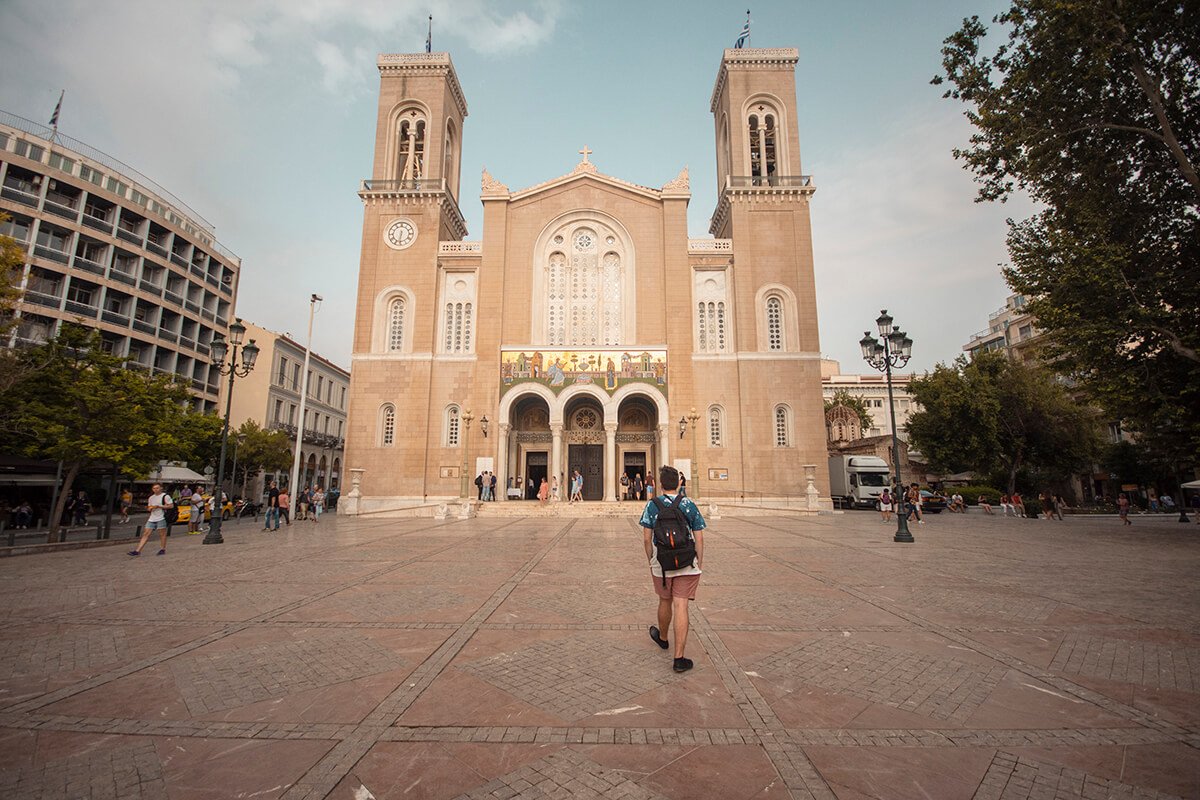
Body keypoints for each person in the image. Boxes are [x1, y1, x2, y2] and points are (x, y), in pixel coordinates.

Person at [641, 465, 706, 674]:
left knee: (664, 600)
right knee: (681, 606)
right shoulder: (688, 504)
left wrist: (652, 559)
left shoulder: (653, 505)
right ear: (679, 483)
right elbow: (699, 537)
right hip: (687, 562)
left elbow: (646, 538)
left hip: (663, 563)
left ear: (660, 485)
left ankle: (662, 638)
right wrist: (699, 562)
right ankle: (679, 658)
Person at [129, 483, 172, 556]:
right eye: (154, 488)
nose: (156, 489)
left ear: (161, 488)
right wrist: (150, 508)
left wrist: (159, 506)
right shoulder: (151, 497)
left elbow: (170, 506)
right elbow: (149, 507)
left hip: (161, 517)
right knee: (146, 533)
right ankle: (138, 550)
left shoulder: (165, 496)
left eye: (157, 488)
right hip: (152, 517)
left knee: (162, 534)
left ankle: (162, 549)